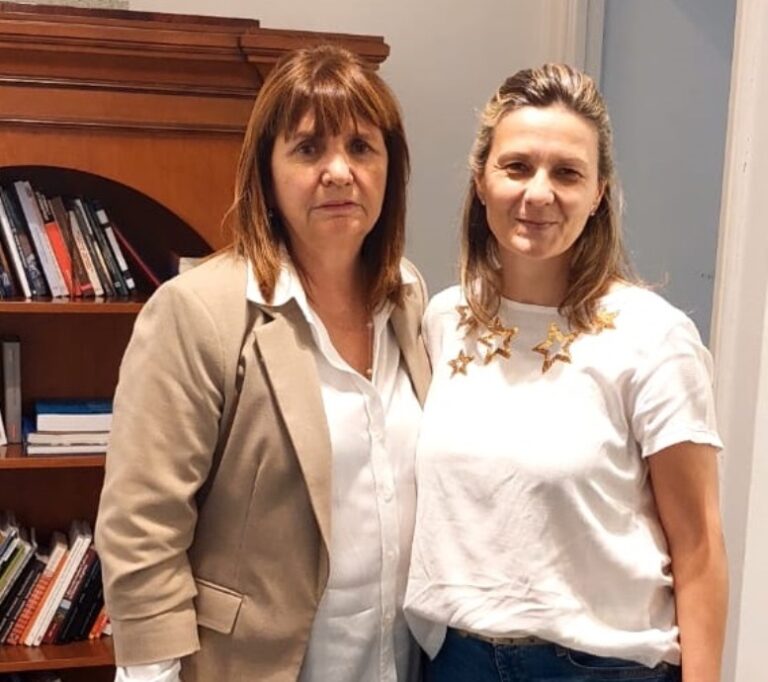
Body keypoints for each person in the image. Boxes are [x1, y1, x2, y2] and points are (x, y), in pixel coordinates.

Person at [95, 44, 430, 682]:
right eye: (308, 149)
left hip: (399, 661)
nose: (339, 171)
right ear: (267, 175)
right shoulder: (198, 311)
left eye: (361, 148)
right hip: (254, 666)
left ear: (391, 168)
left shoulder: (408, 297)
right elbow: (143, 528)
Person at [404, 64, 727, 682]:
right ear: (481, 180)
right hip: (455, 663)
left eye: (568, 173)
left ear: (599, 190)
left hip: (598, 667)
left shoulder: (653, 337)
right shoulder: (443, 320)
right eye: (517, 166)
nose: (539, 193)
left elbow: (700, 549)